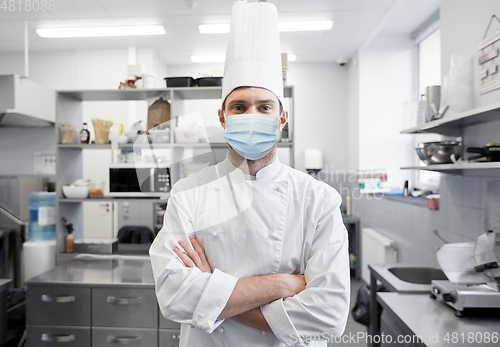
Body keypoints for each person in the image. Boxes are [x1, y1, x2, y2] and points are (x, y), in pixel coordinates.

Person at [149, 2, 350, 346]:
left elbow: (329, 316)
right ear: (223, 118)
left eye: (264, 107)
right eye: (239, 107)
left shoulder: (318, 199)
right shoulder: (188, 193)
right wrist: (281, 285)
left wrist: (211, 290)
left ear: (281, 119)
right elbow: (171, 295)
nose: (251, 115)